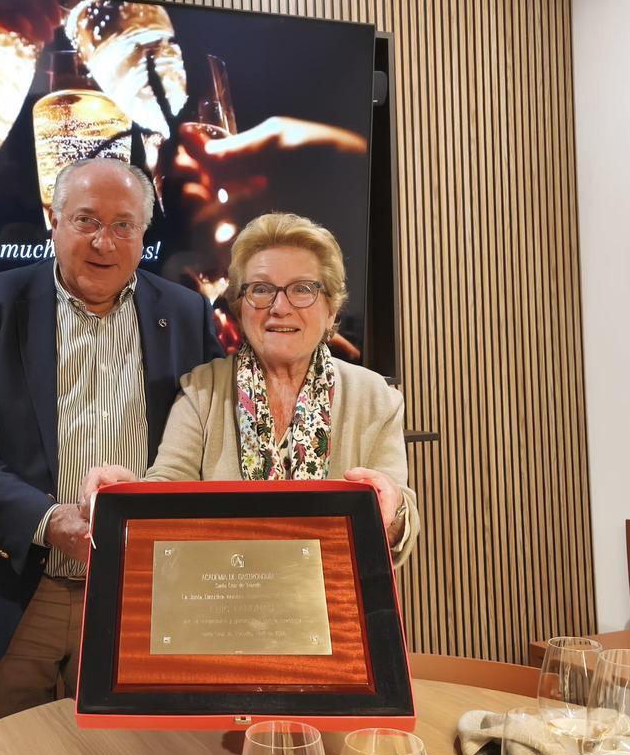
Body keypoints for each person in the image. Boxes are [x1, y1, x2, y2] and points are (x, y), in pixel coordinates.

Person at [0, 157, 223, 742]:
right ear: (54, 220)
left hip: (138, 598)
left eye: (123, 225)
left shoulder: (185, 314)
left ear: (143, 233)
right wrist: (49, 521)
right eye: (87, 220)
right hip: (8, 592)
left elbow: (212, 440)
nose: (104, 242)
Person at [83, 211, 420, 567]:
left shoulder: (375, 397)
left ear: (331, 310)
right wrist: (128, 495)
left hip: (336, 592)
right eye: (261, 289)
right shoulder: (202, 390)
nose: (279, 307)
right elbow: (167, 489)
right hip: (224, 589)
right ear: (239, 308)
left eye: (302, 289)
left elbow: (401, 517)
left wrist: (394, 509)